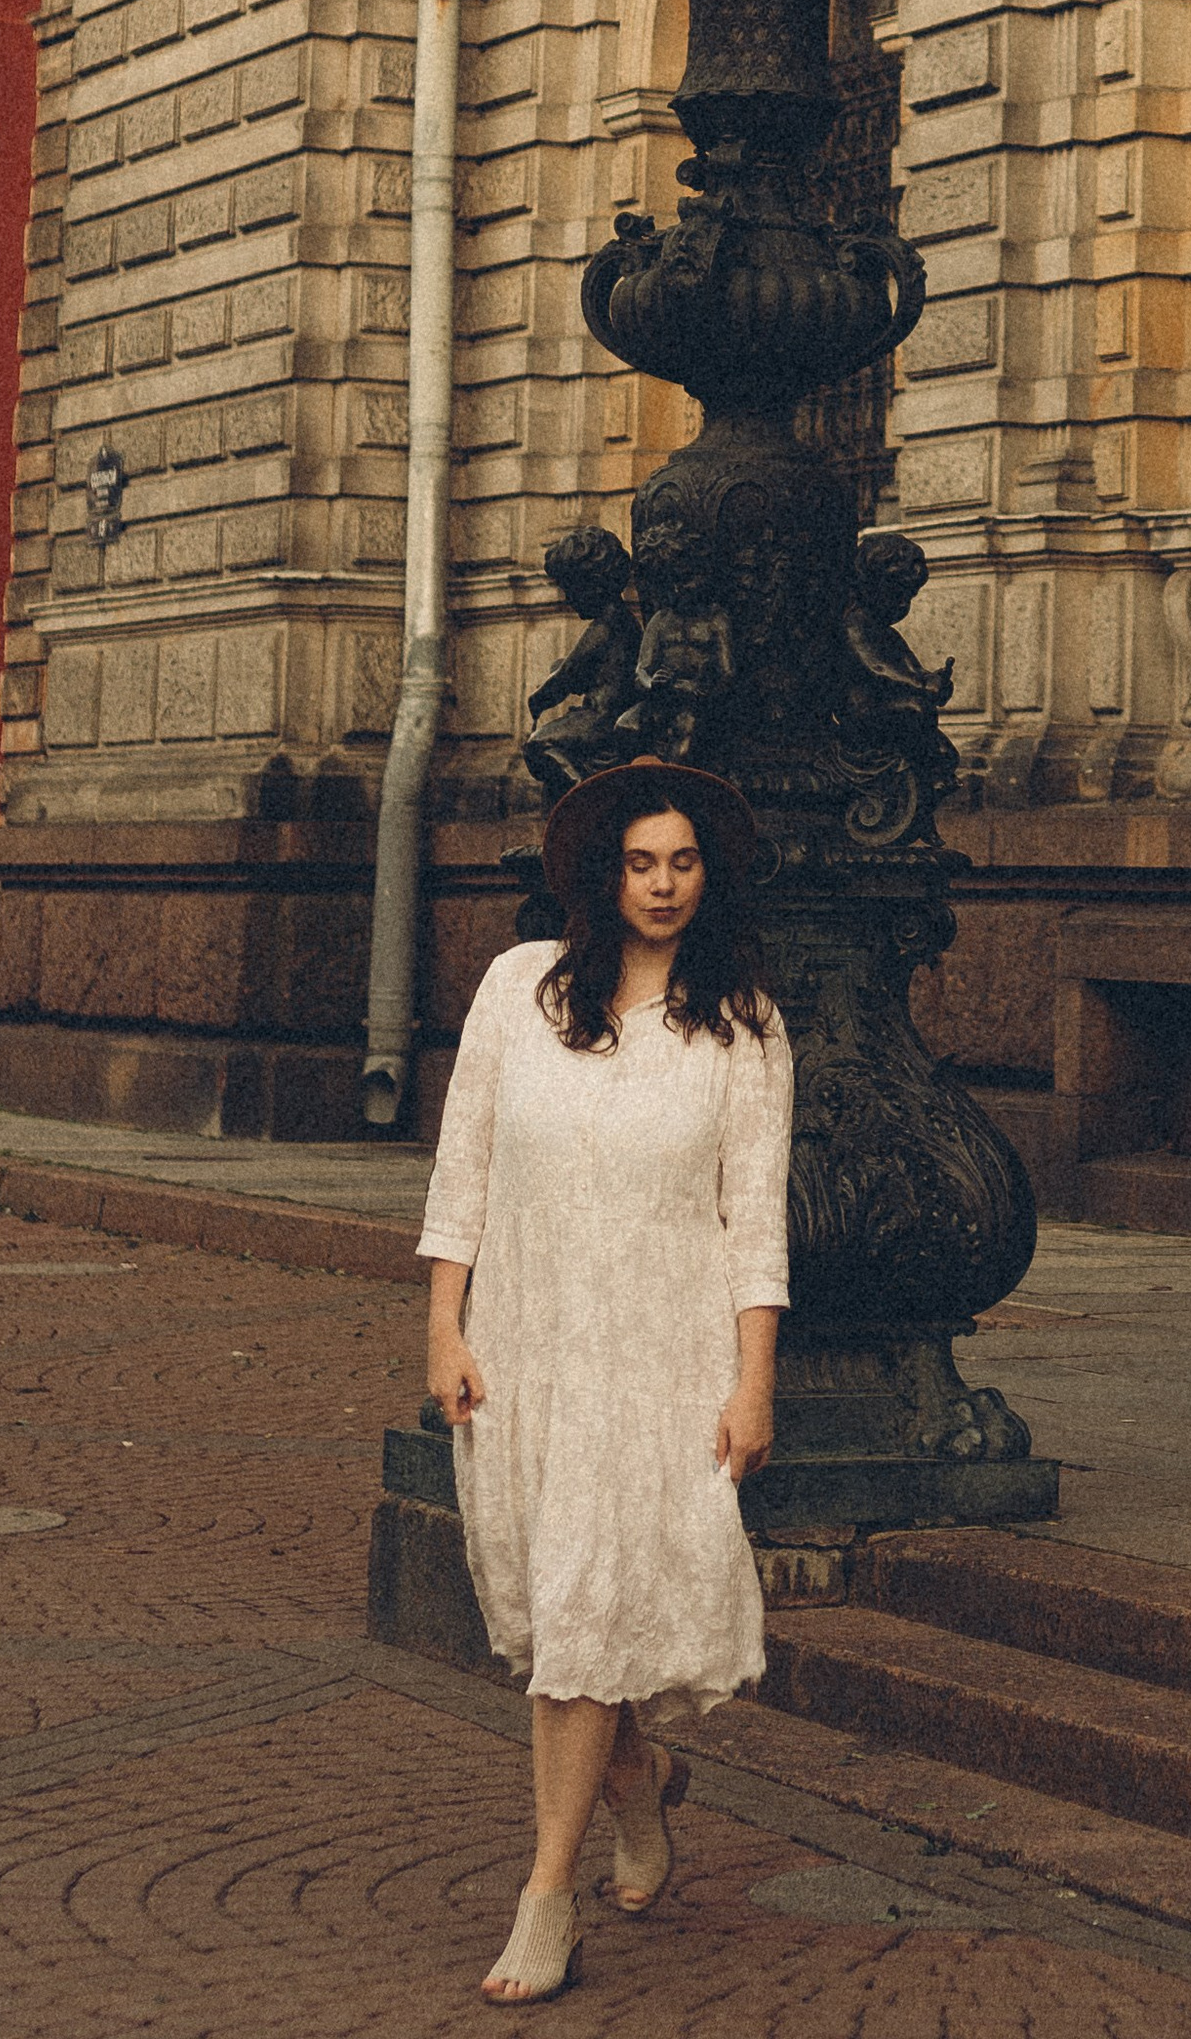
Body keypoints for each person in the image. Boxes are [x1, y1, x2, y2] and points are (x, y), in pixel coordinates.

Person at [418, 763, 793, 2005]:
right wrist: (444, 1327)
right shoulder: (514, 990)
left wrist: (754, 1383)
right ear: (601, 873)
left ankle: (545, 1899)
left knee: (580, 1624)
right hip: (527, 1348)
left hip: (660, 1362)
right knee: (554, 1608)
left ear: (709, 874)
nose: (664, 886)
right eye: (642, 863)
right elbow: (461, 1165)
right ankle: (637, 1788)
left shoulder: (741, 1020)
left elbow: (755, 1223)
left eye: (683, 863)